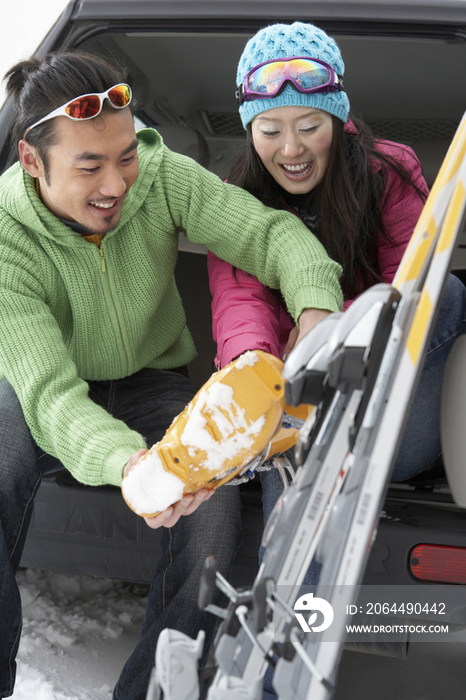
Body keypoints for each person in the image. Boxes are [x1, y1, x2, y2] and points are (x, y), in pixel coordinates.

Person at [0, 50, 344, 700]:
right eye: (90, 165)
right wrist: (132, 465)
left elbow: (271, 233)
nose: (117, 182)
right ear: (31, 161)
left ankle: (153, 691)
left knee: (213, 517)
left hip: (150, 381)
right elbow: (48, 395)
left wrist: (316, 307)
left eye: (125, 155)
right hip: (40, 395)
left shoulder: (163, 178)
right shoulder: (4, 234)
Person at [208, 22, 466, 530]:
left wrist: (331, 330)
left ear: (336, 116)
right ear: (249, 128)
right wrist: (255, 369)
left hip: (388, 406)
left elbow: (409, 286)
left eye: (309, 127)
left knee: (449, 290)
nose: (291, 150)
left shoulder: (386, 171)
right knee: (285, 448)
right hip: (299, 408)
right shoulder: (232, 199)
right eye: (271, 130)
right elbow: (241, 302)